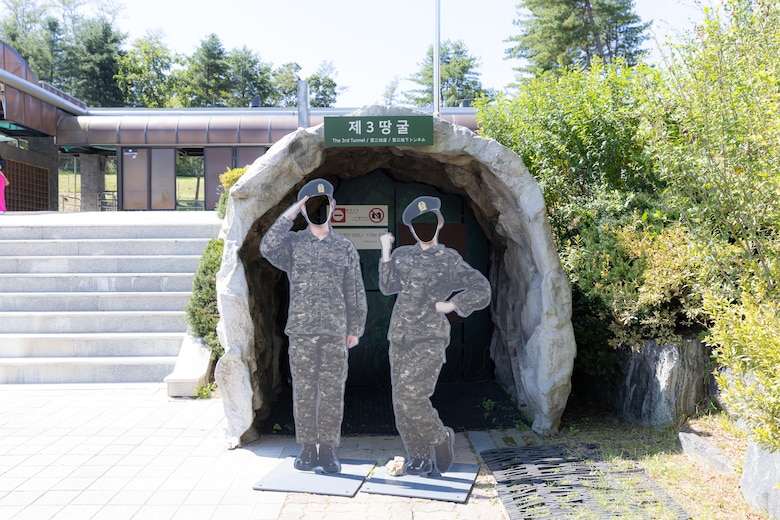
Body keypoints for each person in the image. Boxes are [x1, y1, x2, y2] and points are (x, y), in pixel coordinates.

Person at [260, 178, 367, 474]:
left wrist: (355, 328)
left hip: (335, 330)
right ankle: (308, 449)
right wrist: (291, 213)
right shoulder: (293, 245)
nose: (320, 209)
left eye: (324, 202)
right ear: (306, 210)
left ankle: (329, 450)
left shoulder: (344, 247)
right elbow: (267, 247)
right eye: (312, 204)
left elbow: (354, 290)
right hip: (303, 331)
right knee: (305, 391)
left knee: (332, 391)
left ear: (333, 206)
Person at [379, 196, 491, 476]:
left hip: (429, 338)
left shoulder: (449, 259)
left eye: (429, 222)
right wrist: (385, 252)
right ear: (413, 230)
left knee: (413, 396)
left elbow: (482, 288)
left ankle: (440, 439)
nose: (424, 229)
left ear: (439, 223)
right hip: (400, 336)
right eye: (419, 225)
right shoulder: (403, 255)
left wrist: (454, 304)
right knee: (400, 403)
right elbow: (387, 286)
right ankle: (418, 457)